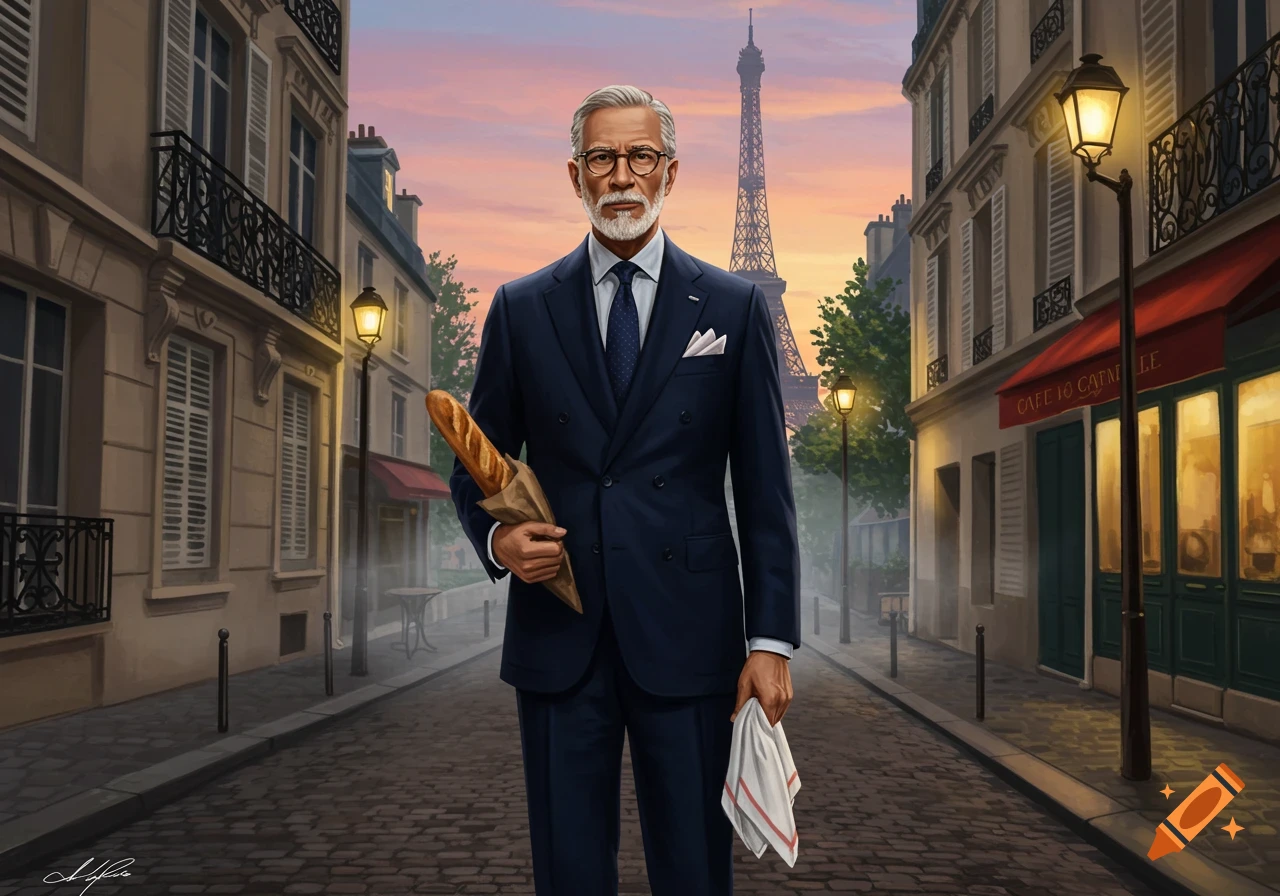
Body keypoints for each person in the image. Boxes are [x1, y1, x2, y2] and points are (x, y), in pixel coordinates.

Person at [448, 84, 801, 896]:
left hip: (692, 637)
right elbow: (476, 463)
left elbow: (764, 487)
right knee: (568, 874)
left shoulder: (736, 307)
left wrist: (770, 641)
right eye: (602, 157)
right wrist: (499, 541)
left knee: (693, 874)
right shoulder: (521, 307)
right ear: (575, 175)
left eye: (640, 156)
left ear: (669, 172)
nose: (621, 175)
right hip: (559, 634)